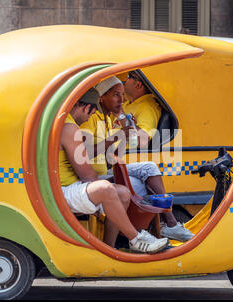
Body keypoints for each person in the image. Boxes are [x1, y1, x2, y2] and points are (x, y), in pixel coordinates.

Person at [81, 77, 193, 242]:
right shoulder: (91, 118)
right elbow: (86, 153)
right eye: (116, 95)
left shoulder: (108, 119)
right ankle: (142, 235)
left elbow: (111, 156)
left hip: (105, 170)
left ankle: (169, 225)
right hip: (91, 178)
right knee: (137, 184)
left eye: (122, 95)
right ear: (101, 97)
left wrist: (124, 135)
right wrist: (120, 134)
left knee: (149, 168)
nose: (122, 100)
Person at [59, 88, 169, 253]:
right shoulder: (69, 128)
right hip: (62, 190)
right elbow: (86, 174)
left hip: (72, 185)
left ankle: (109, 249)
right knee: (105, 189)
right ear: (87, 108)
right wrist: (99, 198)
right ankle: (135, 239)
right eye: (90, 114)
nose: (89, 118)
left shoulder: (79, 123)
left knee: (123, 193)